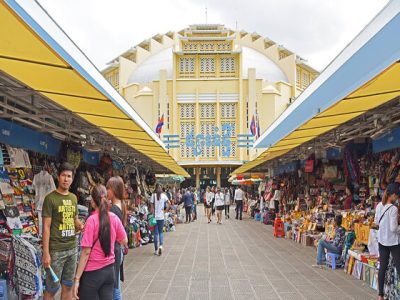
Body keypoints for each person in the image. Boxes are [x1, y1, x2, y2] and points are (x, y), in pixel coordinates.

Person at [73, 184, 127, 300]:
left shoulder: (91, 221)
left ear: (92, 202)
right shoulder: (114, 218)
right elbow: (124, 240)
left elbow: (86, 252)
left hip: (92, 274)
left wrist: (77, 279)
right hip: (109, 271)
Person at [42, 162, 83, 300]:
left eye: (69, 176)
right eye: (63, 175)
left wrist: (80, 224)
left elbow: (74, 218)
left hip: (72, 248)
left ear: (72, 179)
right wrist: (46, 253)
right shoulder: (50, 199)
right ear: (58, 177)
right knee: (51, 289)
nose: (66, 179)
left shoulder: (73, 198)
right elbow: (46, 227)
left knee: (68, 286)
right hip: (56, 251)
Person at [374, 183, 400, 300]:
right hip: (393, 242)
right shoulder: (393, 209)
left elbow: (376, 222)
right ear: (393, 195)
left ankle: (380, 295)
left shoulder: (379, 205)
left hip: (382, 240)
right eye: (397, 196)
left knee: (382, 267)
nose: (398, 199)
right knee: (399, 266)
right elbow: (394, 228)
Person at [106, 176, 127, 300]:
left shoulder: (114, 209)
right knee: (116, 285)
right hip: (118, 250)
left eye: (108, 188)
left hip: (115, 250)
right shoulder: (121, 205)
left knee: (114, 288)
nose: (107, 191)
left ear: (113, 189)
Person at [150, 183, 169, 255]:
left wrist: (151, 213)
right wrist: (165, 211)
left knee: (155, 233)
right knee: (161, 232)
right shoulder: (164, 195)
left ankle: (156, 250)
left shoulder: (153, 195)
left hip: (155, 217)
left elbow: (151, 208)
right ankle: (161, 246)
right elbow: (169, 203)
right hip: (161, 217)